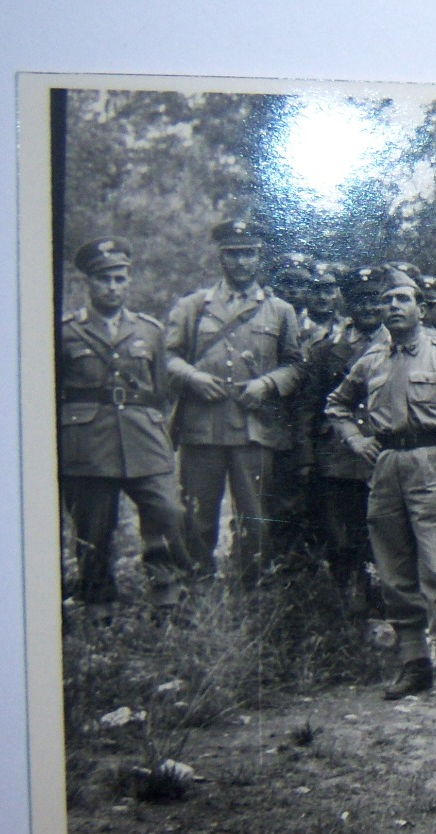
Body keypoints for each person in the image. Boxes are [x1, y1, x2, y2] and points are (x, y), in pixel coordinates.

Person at [324, 267, 436, 703]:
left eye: (401, 299)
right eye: (386, 301)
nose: (392, 307)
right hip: (387, 466)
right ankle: (415, 663)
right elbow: (336, 405)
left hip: (433, 464)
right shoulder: (371, 360)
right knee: (393, 570)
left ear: (421, 308)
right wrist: (357, 440)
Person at [57, 237, 193, 619]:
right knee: (93, 526)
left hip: (142, 439)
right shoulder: (66, 331)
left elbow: (161, 392)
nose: (112, 287)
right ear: (88, 283)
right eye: (104, 279)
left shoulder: (148, 330)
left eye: (119, 278)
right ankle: (98, 600)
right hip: (87, 443)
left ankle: (167, 592)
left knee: (167, 512)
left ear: (129, 280)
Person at [163, 218, 303, 587]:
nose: (241, 262)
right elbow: (167, 358)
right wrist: (192, 377)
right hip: (202, 428)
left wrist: (268, 384)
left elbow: (295, 366)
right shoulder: (193, 307)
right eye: (233, 255)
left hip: (254, 429)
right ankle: (195, 588)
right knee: (196, 516)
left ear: (259, 257)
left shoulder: (280, 311)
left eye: (248, 254)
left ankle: (252, 588)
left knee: (255, 517)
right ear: (220, 257)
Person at [297, 265, 384, 613]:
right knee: (338, 533)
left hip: (382, 454)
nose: (368, 309)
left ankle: (381, 596)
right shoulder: (325, 351)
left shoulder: (400, 345)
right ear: (347, 305)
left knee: (379, 530)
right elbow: (308, 408)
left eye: (375, 301)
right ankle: (345, 599)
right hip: (337, 455)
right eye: (360, 302)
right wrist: (306, 456)